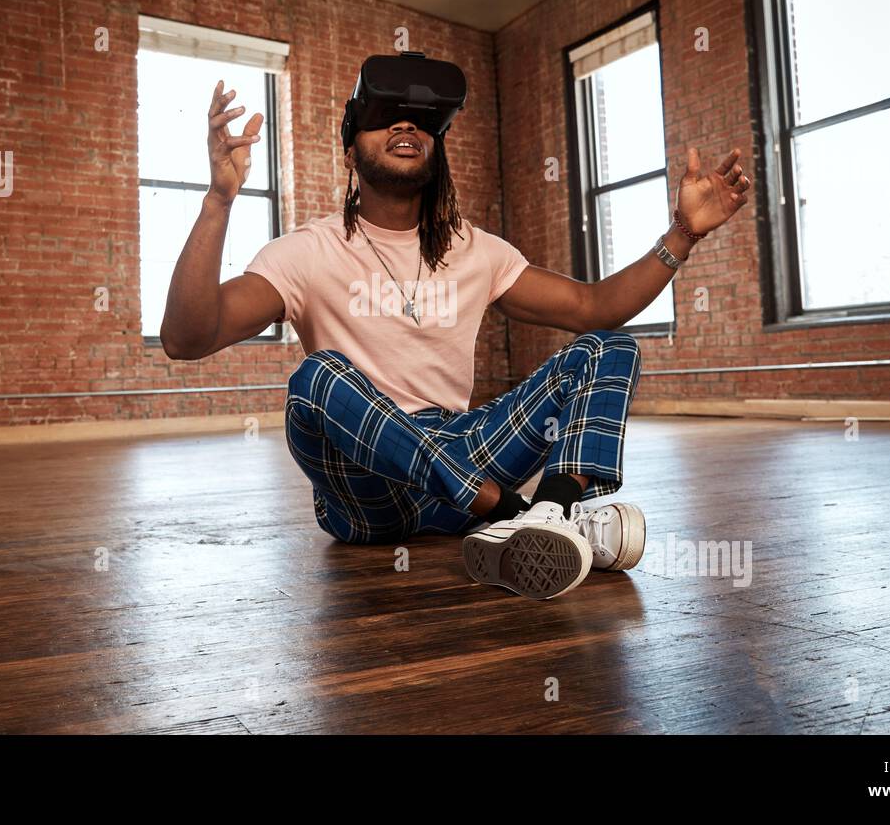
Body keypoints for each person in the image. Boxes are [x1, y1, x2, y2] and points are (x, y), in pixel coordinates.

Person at [160, 71, 751, 600]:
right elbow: (188, 337)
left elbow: (593, 307)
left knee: (609, 349)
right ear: (349, 151)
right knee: (316, 377)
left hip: (463, 448)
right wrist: (218, 199)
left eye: (421, 122)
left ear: (436, 150)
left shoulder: (475, 249)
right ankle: (517, 513)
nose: (405, 125)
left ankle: (553, 514)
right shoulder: (304, 253)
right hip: (368, 486)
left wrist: (682, 234)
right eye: (382, 116)